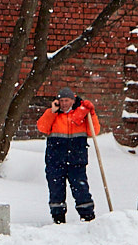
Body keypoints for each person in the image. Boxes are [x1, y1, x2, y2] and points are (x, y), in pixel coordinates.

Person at [37, 86, 100, 224]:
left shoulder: (82, 114)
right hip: (55, 160)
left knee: (81, 189)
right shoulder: (53, 114)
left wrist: (92, 114)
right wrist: (52, 112)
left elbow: (93, 131)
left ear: (73, 100)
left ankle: (88, 218)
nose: (64, 103)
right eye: (62, 100)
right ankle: (58, 219)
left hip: (76, 160)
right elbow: (42, 127)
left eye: (67, 100)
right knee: (56, 191)